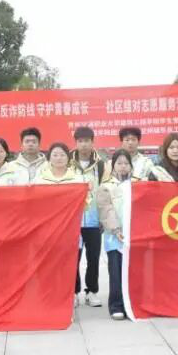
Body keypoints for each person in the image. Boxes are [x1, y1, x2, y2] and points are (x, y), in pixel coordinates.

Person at [34, 143, 88, 308]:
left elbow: (85, 203)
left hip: (69, 228)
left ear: (68, 158)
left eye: (62, 155)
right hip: (47, 229)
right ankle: (46, 294)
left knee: (69, 262)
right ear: (49, 157)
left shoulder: (77, 178)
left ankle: (70, 294)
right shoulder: (40, 179)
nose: (59, 158)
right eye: (55, 155)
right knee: (47, 263)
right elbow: (34, 204)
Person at [96, 149, 138, 320]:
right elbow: (106, 210)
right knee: (116, 271)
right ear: (113, 166)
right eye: (119, 163)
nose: (123, 166)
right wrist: (116, 230)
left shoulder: (138, 184)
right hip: (115, 237)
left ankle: (133, 303)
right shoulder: (106, 186)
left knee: (134, 271)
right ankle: (116, 305)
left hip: (134, 235)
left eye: (126, 163)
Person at [70, 127, 108, 308]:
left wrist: (103, 217)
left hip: (93, 220)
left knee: (93, 258)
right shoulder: (67, 162)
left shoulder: (101, 165)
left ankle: (92, 291)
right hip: (72, 220)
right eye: (80, 141)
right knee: (73, 258)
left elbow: (105, 191)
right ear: (76, 143)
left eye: (87, 141)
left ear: (93, 142)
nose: (83, 144)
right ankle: (74, 292)